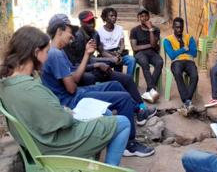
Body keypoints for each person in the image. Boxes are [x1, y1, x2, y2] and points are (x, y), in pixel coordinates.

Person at [0, 26, 129, 166]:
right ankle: (109, 167)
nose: (47, 57)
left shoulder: (8, 82)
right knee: (123, 122)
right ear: (36, 52)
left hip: (42, 139)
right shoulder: (29, 87)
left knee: (107, 113)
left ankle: (92, 161)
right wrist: (66, 112)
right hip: (55, 145)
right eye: (46, 52)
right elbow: (64, 120)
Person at [42, 14, 155, 157]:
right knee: (124, 98)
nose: (71, 36)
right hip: (71, 100)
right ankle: (129, 144)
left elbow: (75, 77)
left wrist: (86, 55)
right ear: (59, 31)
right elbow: (72, 88)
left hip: (74, 93)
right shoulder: (55, 55)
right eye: (69, 32)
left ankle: (139, 111)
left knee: (114, 84)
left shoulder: (58, 52)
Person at [63, 11, 146, 110]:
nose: (92, 24)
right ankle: (102, 107)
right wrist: (98, 65)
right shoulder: (77, 38)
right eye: (88, 22)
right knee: (91, 78)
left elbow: (100, 52)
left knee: (126, 78)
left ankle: (141, 107)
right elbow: (76, 65)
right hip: (84, 71)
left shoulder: (95, 33)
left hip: (93, 65)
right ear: (81, 23)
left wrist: (112, 58)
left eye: (93, 21)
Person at [163, 18, 199, 117]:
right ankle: (187, 101)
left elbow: (194, 53)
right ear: (173, 27)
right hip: (176, 62)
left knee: (195, 75)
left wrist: (178, 51)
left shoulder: (189, 37)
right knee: (177, 73)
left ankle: (186, 102)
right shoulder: (167, 40)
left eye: (181, 27)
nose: (179, 30)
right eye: (177, 27)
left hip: (189, 61)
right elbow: (172, 55)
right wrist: (185, 49)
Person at [130, 8, 163, 103]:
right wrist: (151, 45)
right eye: (142, 16)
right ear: (138, 18)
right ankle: (152, 90)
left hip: (152, 53)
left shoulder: (155, 29)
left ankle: (149, 90)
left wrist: (150, 29)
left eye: (146, 16)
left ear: (149, 17)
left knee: (160, 62)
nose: (144, 18)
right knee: (144, 63)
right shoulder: (134, 30)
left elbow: (153, 44)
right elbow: (135, 48)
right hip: (140, 54)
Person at [97, 7, 136, 76]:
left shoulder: (119, 28)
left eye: (115, 16)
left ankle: (128, 80)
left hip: (118, 53)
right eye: (111, 16)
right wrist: (113, 57)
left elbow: (122, 44)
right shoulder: (99, 31)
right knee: (102, 65)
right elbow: (101, 51)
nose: (114, 17)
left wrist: (119, 53)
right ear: (105, 18)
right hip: (106, 55)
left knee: (131, 60)